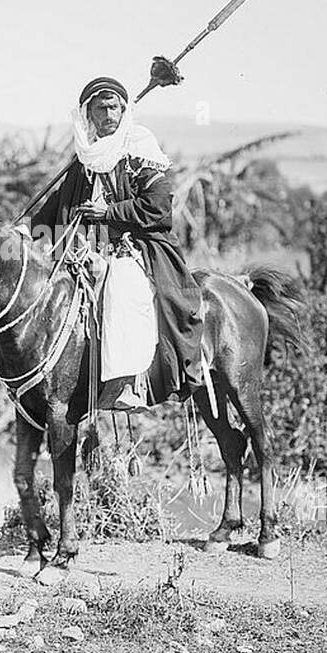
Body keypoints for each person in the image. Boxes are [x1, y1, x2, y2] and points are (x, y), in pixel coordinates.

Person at [30, 76, 204, 408]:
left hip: (135, 248)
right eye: (101, 109)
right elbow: (52, 212)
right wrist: (28, 232)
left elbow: (158, 207)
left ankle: (129, 383)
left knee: (122, 287)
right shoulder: (85, 158)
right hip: (84, 251)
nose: (109, 115)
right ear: (88, 115)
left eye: (114, 108)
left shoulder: (139, 148)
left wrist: (107, 211)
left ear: (124, 111)